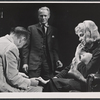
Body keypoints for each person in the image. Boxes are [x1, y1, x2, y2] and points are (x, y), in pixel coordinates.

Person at [43, 20, 100, 92]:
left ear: (89, 34)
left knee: (54, 84)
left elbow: (85, 72)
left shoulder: (98, 50)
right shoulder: (86, 48)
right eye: (79, 36)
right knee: (52, 82)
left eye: (82, 35)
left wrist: (77, 55)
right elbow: (68, 68)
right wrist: (54, 78)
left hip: (92, 85)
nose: (80, 39)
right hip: (81, 82)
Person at [22, 6, 63, 80]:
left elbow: (54, 48)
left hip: (48, 64)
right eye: (41, 16)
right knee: (33, 84)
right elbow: (26, 47)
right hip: (34, 63)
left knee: (49, 84)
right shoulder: (31, 28)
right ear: (38, 16)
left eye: (45, 16)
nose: (43, 18)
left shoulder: (53, 30)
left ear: (49, 16)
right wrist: (25, 63)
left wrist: (57, 59)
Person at [0, 26, 44, 92]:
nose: (19, 48)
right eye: (21, 46)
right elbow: (13, 79)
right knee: (40, 90)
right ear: (21, 40)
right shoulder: (11, 48)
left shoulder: (2, 40)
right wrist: (30, 82)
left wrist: (18, 73)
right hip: (3, 88)